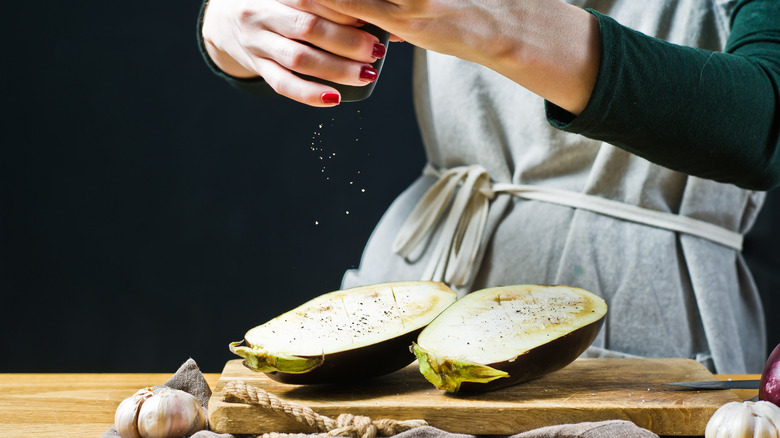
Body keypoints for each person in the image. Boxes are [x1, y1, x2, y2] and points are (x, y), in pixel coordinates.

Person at [198, 0, 780, 374]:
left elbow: (764, 122)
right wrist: (232, 28)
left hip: (648, 316)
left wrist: (506, 25)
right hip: (416, 272)